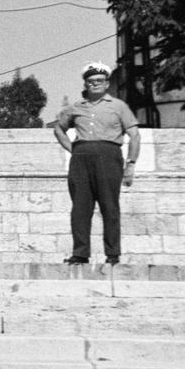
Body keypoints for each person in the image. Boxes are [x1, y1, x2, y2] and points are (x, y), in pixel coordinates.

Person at [51, 61, 140, 266]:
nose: (95, 85)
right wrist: (74, 149)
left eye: (99, 81)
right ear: (85, 84)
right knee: (80, 208)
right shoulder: (76, 108)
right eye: (91, 82)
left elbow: (134, 135)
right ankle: (80, 253)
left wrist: (131, 164)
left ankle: (113, 254)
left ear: (107, 83)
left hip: (109, 156)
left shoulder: (118, 106)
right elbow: (58, 129)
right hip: (81, 158)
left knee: (110, 206)